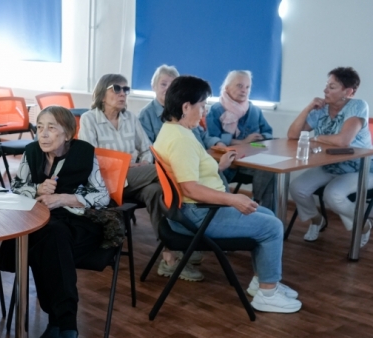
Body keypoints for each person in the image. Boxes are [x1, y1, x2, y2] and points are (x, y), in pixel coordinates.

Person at [153, 75, 302, 314]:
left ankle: (262, 281)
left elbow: (188, 175)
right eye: (202, 105)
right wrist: (233, 198)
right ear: (186, 107)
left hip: (191, 211)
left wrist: (218, 167)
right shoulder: (182, 140)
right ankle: (267, 294)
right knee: (272, 227)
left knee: (266, 215)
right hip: (200, 214)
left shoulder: (171, 131)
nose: (205, 111)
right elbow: (190, 188)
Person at [79, 73, 204, 282]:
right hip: (107, 181)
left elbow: (147, 149)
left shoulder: (130, 118)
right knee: (166, 172)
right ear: (102, 93)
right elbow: (90, 158)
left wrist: (144, 163)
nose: (122, 93)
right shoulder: (89, 119)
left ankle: (169, 256)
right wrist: (128, 165)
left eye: (126, 89)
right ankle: (191, 235)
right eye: (116, 89)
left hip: (135, 178)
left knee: (156, 191)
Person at [9, 106, 110, 338]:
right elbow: (15, 188)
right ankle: (65, 325)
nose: (43, 134)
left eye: (51, 128)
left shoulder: (84, 152)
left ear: (67, 133)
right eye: (40, 127)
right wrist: (37, 189)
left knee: (48, 240)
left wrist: (63, 198)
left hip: (79, 224)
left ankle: (58, 323)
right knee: (48, 239)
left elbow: (102, 196)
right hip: (43, 224)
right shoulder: (32, 152)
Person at [287, 67, 372, 246]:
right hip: (331, 165)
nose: (325, 90)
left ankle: (363, 226)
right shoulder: (321, 110)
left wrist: (317, 138)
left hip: (360, 168)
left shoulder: (358, 106)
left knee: (333, 194)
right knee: (297, 187)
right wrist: (308, 108)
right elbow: (293, 135)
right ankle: (317, 220)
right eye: (327, 85)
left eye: (332, 87)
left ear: (348, 92)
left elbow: (343, 141)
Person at [206, 70, 276, 210]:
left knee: (270, 169)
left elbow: (268, 133)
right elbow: (211, 138)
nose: (244, 90)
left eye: (247, 87)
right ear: (227, 88)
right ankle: (253, 208)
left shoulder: (255, 110)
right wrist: (241, 142)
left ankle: (260, 207)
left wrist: (260, 139)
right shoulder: (216, 110)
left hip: (249, 161)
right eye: (239, 86)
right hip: (226, 164)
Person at [139, 64, 217, 149]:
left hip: (200, 152)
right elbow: (147, 148)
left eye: (172, 85)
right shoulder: (145, 115)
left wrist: (217, 143)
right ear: (153, 87)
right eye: (163, 84)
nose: (168, 89)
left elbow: (202, 135)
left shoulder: (186, 109)